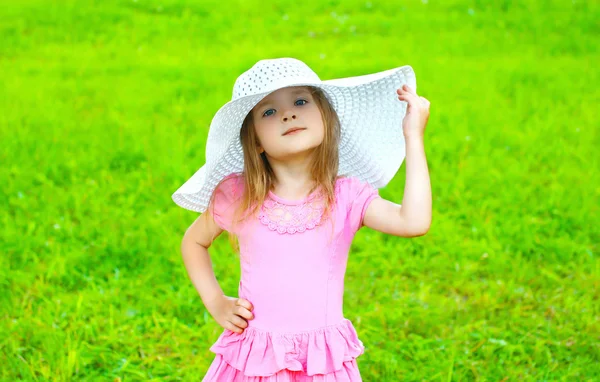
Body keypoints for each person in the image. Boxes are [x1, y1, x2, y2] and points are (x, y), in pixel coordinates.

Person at [172, 57, 431, 381]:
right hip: (255, 361)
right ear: (255, 141)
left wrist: (414, 137)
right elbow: (194, 241)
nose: (288, 113)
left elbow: (414, 222)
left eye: (300, 100)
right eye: (269, 111)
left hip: (320, 363)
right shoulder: (239, 195)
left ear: (325, 116)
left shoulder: (347, 197)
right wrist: (216, 302)